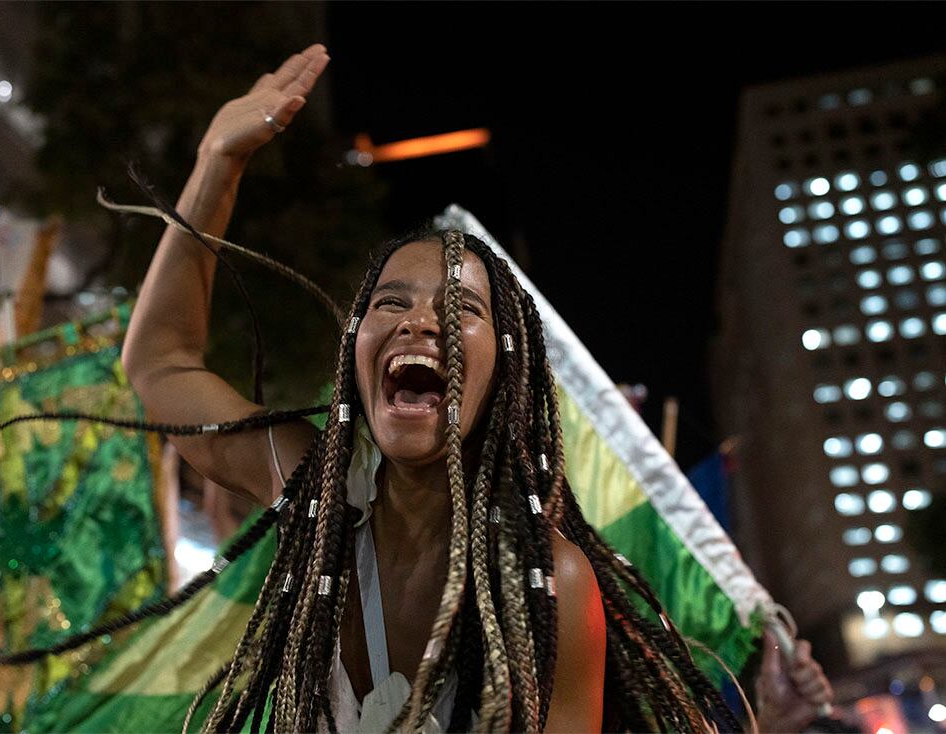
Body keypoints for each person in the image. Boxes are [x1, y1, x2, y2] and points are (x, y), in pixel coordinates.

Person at [113, 44, 830, 733]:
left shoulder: (551, 580)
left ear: (506, 373)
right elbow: (160, 365)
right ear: (353, 352)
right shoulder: (312, 490)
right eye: (390, 303)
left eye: (461, 311)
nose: (419, 322)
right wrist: (219, 163)